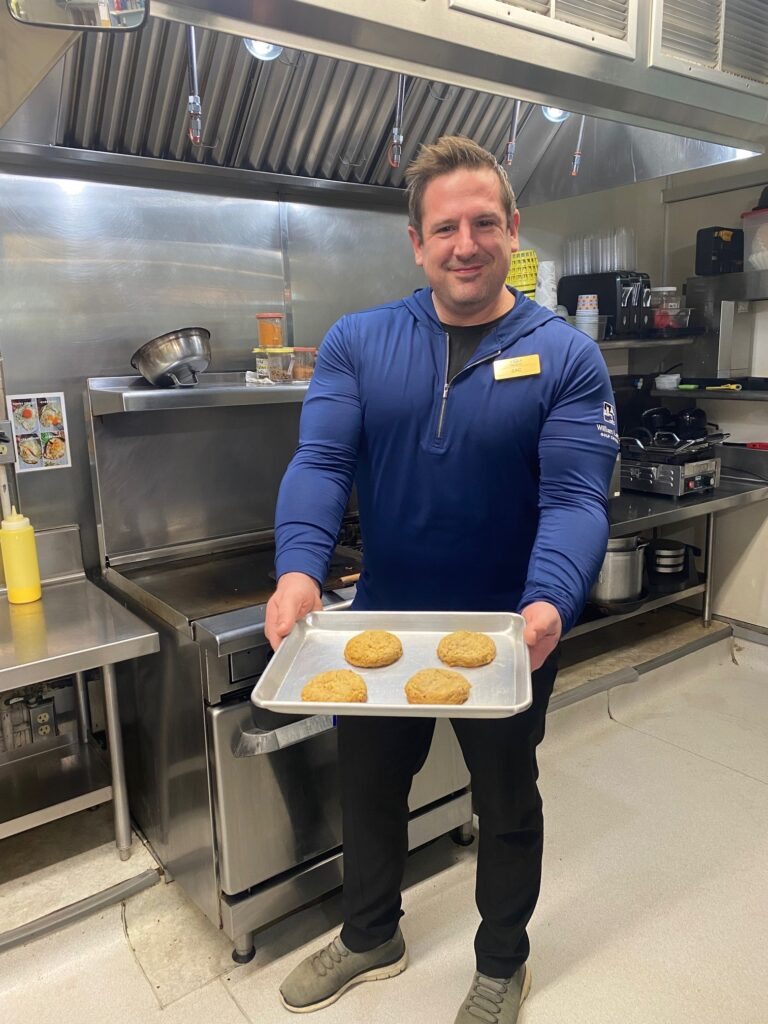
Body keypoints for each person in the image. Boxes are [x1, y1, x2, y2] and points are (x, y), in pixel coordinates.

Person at [265, 135, 618, 1022]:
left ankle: (502, 961)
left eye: (484, 223)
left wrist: (549, 602)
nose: (467, 243)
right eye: (446, 227)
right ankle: (369, 933)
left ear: (513, 230)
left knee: (505, 801)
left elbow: (577, 499)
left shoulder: (566, 357)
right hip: (382, 613)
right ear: (416, 242)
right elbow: (319, 461)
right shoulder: (358, 342)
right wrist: (299, 571)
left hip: (508, 630)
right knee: (371, 789)